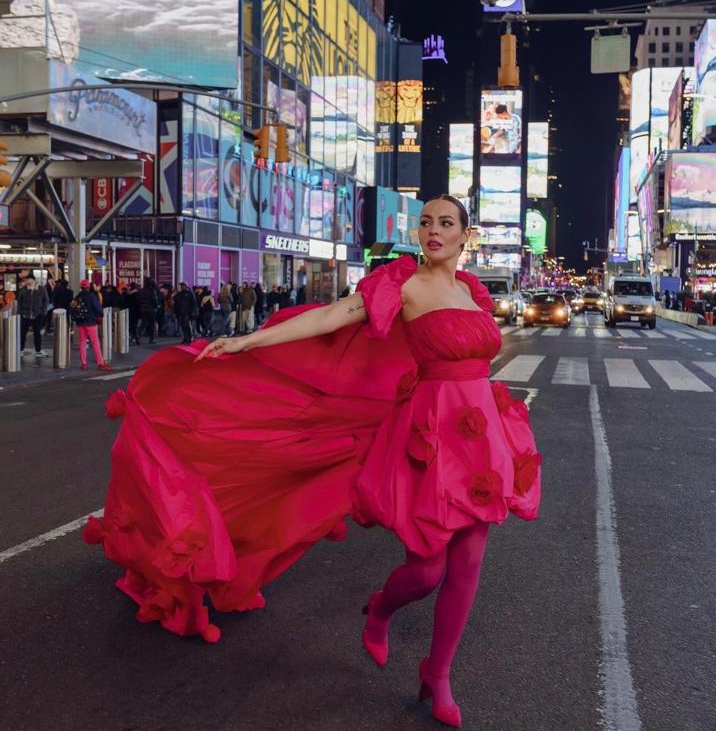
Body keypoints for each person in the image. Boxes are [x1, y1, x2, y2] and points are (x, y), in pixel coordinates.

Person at [86, 194, 541, 727]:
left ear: (467, 235)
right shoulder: (403, 286)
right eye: (425, 223)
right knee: (427, 568)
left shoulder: (471, 292)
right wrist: (247, 342)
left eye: (445, 223)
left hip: (481, 435)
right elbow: (329, 318)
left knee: (468, 563)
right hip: (434, 439)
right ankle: (380, 611)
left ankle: (437, 674)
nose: (432, 231)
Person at [71, 278, 112, 371]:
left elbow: (73, 307)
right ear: (88, 286)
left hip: (81, 322)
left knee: (82, 342)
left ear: (81, 287)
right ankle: (100, 363)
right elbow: (98, 309)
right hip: (91, 322)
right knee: (95, 342)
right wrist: (101, 314)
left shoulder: (77, 297)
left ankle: (84, 363)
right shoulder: (91, 296)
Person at [18, 277, 50, 358]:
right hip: (25, 315)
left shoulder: (41, 289)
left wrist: (43, 312)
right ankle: (21, 350)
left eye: (27, 279)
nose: (26, 281)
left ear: (33, 280)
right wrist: (20, 313)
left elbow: (46, 300)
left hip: (38, 314)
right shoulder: (23, 289)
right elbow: (19, 302)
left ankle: (38, 350)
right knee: (22, 333)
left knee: (37, 333)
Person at [137, 278, 160, 344]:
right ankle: (151, 339)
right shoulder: (152, 291)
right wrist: (156, 306)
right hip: (151, 309)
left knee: (143, 323)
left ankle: (138, 335)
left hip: (143, 309)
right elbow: (154, 300)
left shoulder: (141, 291)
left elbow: (138, 300)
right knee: (152, 324)